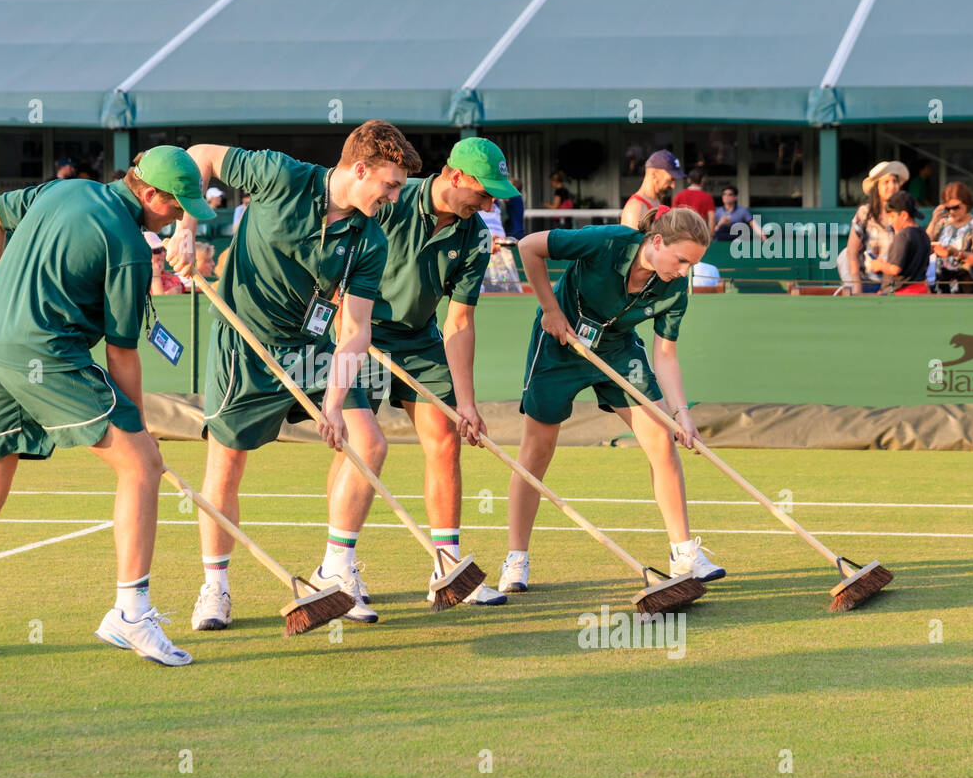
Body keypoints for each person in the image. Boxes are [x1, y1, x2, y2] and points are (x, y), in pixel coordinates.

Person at [0, 145, 215, 667]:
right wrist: (143, 440)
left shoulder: (65, 188)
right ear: (149, 194)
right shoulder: (127, 244)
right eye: (176, 205)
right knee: (142, 467)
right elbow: (122, 355)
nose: (180, 215)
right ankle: (130, 614)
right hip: (43, 354)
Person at [170, 120, 421, 630]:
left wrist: (332, 402)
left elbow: (355, 330)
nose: (394, 197)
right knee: (226, 464)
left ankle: (337, 570)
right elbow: (200, 155)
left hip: (313, 347)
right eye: (389, 184)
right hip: (245, 345)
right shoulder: (280, 174)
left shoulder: (370, 240)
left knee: (368, 442)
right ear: (359, 169)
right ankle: (215, 588)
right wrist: (186, 226)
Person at [502, 206, 725, 593]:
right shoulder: (605, 241)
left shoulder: (674, 287)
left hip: (619, 351)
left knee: (661, 439)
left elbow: (666, 354)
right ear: (657, 241)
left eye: (693, 264)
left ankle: (684, 552)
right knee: (537, 450)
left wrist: (681, 414)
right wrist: (551, 311)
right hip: (559, 343)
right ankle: (516, 559)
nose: (685, 270)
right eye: (682, 259)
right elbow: (528, 246)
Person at [365, 137, 517, 606]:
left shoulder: (474, 235)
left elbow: (460, 321)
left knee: (447, 437)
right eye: (484, 192)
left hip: (419, 339)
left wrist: (467, 403)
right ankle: (339, 569)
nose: (489, 204)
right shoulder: (392, 197)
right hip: (360, 333)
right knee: (360, 446)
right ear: (454, 178)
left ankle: (448, 567)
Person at [842, 161, 907, 294]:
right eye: (886, 182)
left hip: (898, 286)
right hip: (869, 283)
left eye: (894, 181)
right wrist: (856, 284)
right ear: (877, 186)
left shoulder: (905, 214)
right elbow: (852, 251)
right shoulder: (865, 213)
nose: (891, 186)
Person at [927, 181, 973, 294]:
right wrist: (934, 221)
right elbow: (924, 245)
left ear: (966, 203)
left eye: (956, 207)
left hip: (967, 288)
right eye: (948, 208)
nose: (952, 212)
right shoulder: (943, 223)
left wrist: (955, 252)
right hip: (942, 286)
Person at [872, 191, 931, 294]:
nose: (890, 221)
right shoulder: (924, 234)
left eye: (892, 216)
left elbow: (895, 269)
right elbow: (921, 265)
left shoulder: (902, 236)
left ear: (904, 215)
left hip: (901, 293)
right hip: (921, 289)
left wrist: (879, 265)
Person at [620, 150, 685, 228]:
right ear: (654, 174)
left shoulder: (656, 201)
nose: (673, 186)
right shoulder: (635, 209)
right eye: (671, 179)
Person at [672, 168, 715, 234]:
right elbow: (711, 218)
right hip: (700, 232)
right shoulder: (707, 197)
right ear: (703, 180)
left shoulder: (680, 195)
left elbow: (672, 215)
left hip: (681, 232)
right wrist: (711, 235)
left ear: (689, 180)